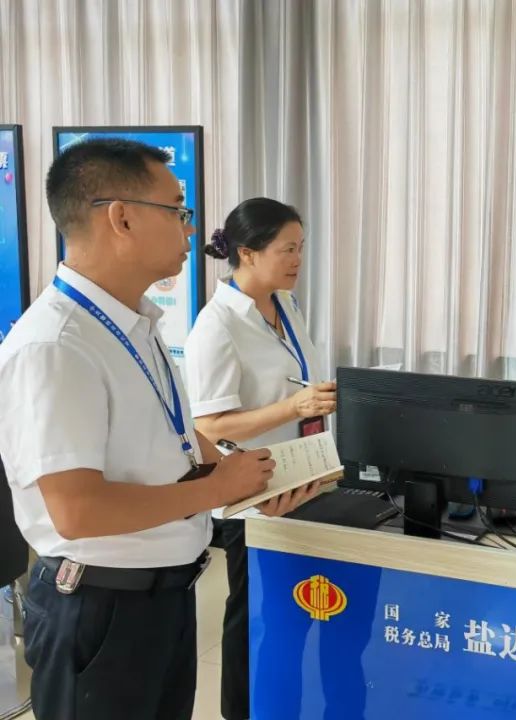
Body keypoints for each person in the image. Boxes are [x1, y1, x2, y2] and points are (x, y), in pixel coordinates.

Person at [0, 139, 313, 720]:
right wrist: (216, 490)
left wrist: (241, 482)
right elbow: (77, 511)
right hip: (100, 608)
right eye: (177, 211)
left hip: (163, 595)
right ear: (121, 218)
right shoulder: (56, 345)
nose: (191, 229)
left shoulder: (137, 323)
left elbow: (175, 437)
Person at [184, 197, 336, 720]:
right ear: (247, 253)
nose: (298, 260)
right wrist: (294, 406)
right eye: (286, 249)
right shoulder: (217, 326)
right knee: (253, 620)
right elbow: (209, 426)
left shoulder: (285, 305)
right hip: (254, 493)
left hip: (303, 478)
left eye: (301, 248)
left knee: (290, 615)